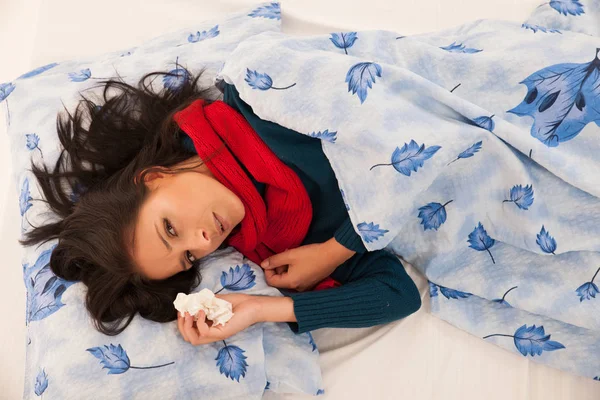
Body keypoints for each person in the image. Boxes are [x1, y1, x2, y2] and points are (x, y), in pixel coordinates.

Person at [22, 69, 421, 344]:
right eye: (189, 256)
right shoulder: (276, 245)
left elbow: (404, 141)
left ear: (153, 177)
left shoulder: (255, 94)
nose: (204, 239)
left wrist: (339, 248)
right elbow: (399, 294)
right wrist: (263, 309)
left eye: (170, 229)